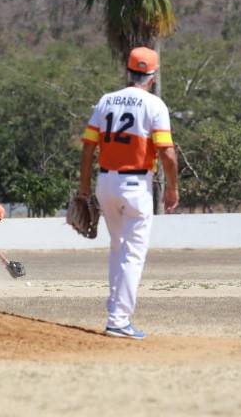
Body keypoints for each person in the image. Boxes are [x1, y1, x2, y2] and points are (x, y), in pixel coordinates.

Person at [77, 46, 179, 340]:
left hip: (105, 182)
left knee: (117, 248)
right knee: (132, 253)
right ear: (153, 75)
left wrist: (84, 187)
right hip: (135, 184)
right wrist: (172, 187)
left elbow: (88, 147)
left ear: (128, 70)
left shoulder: (106, 101)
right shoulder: (154, 104)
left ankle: (115, 312)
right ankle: (119, 320)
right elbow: (167, 152)